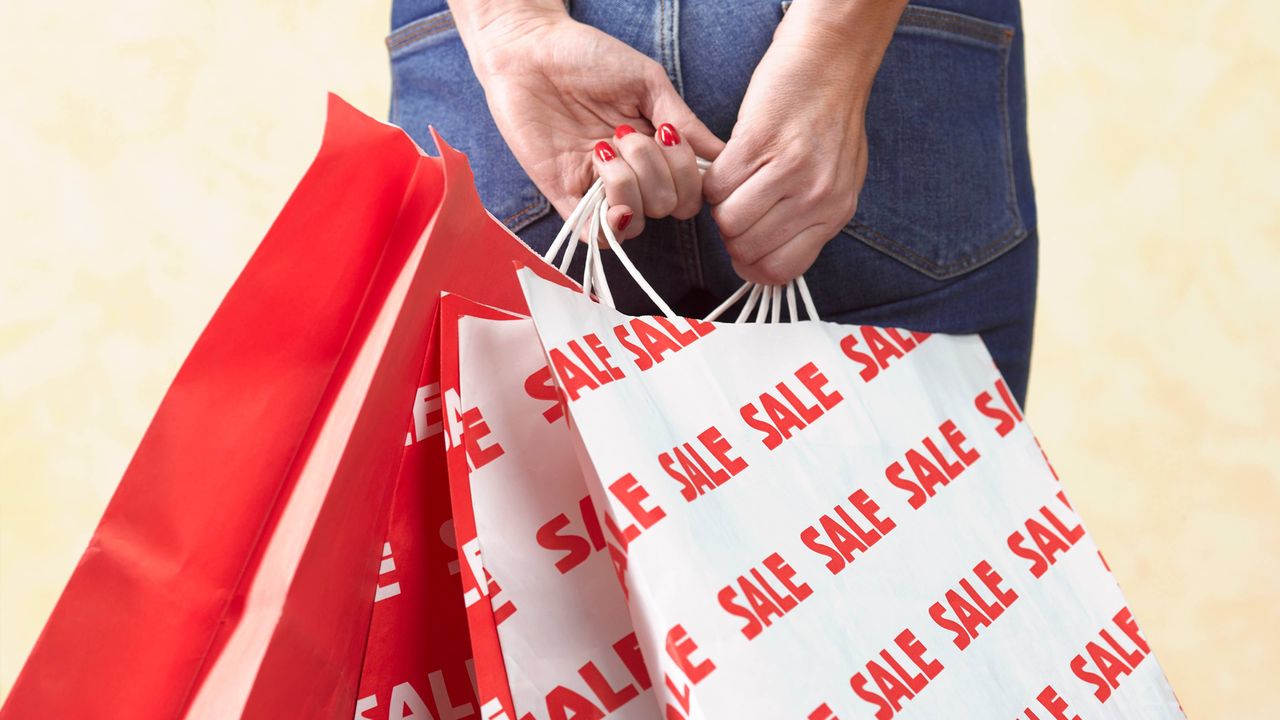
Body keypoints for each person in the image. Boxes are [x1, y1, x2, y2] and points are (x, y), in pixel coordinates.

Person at [386, 0, 1038, 404]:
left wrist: (509, 23)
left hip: (517, 90)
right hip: (887, 51)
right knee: (903, 591)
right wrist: (838, 41)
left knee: (508, 602)